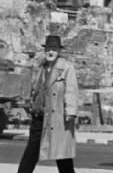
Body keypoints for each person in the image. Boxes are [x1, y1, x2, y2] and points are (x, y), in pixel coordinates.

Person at [18, 35, 79, 173]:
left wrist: (70, 111)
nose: (51, 52)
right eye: (49, 49)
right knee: (31, 152)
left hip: (58, 117)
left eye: (54, 49)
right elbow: (35, 87)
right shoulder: (40, 67)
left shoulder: (66, 67)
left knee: (63, 156)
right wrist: (30, 103)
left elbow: (71, 90)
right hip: (39, 115)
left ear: (59, 51)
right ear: (45, 51)